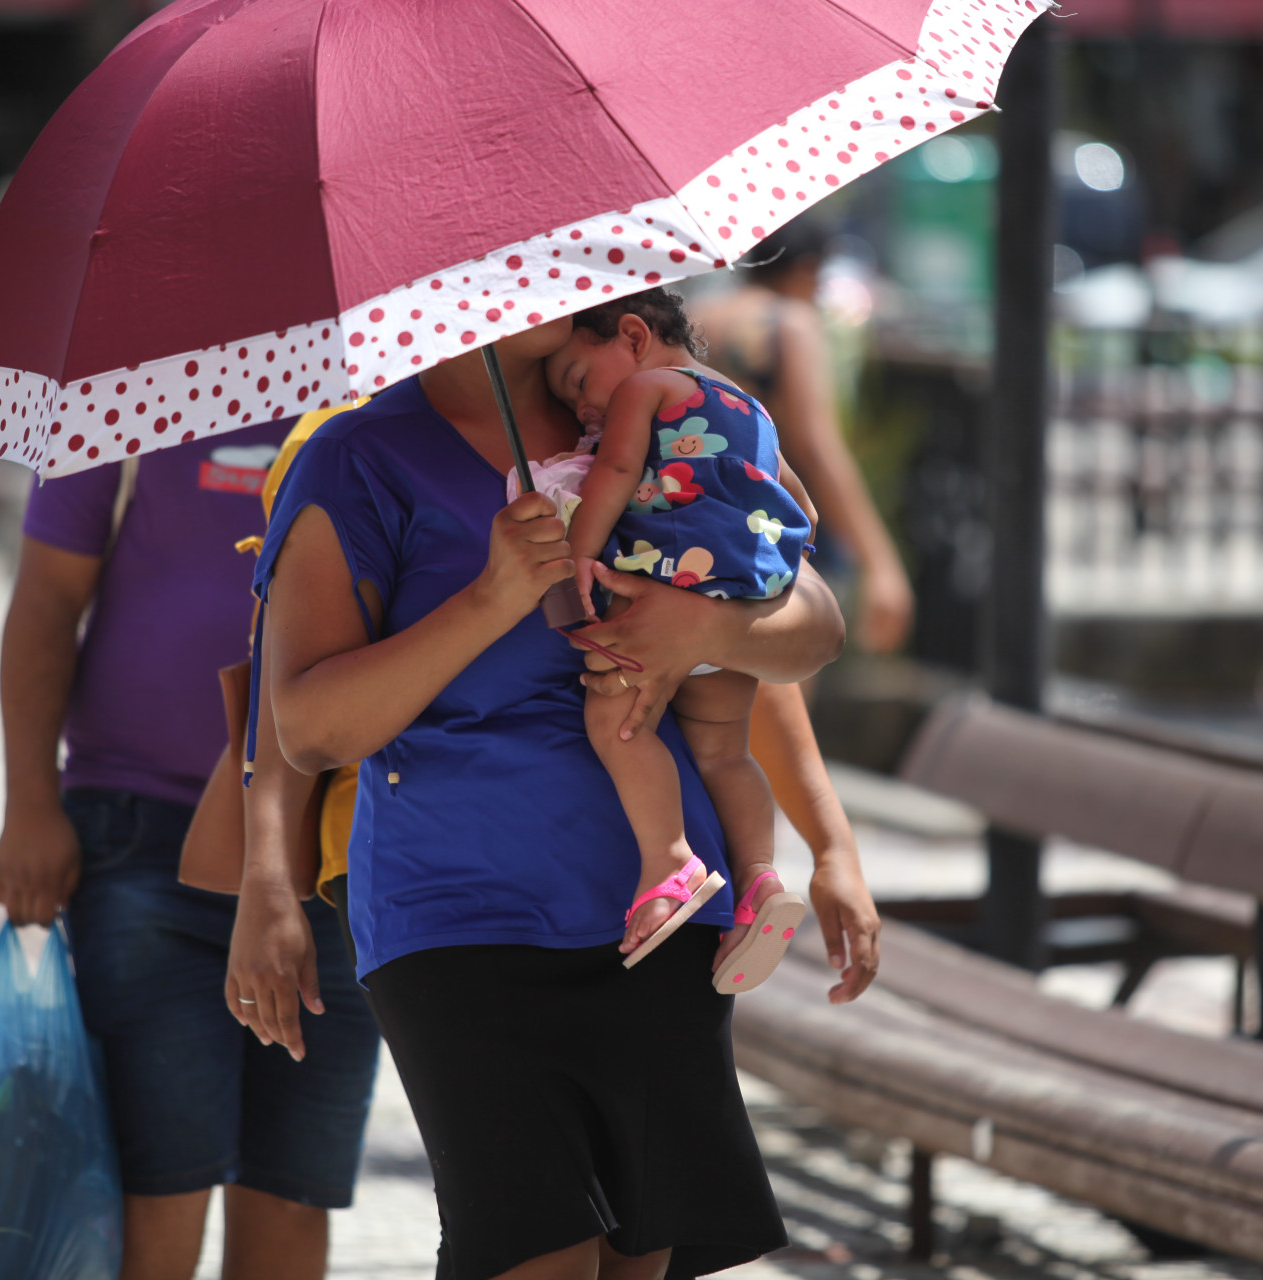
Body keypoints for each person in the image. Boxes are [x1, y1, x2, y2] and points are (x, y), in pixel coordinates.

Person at [244, 316, 845, 1279]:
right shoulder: (350, 457)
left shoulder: (652, 404)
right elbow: (310, 727)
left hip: (660, 912)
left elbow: (812, 622)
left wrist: (704, 623)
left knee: (632, 1261)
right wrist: (489, 596)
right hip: (458, 914)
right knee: (533, 1255)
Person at [0, 420, 380, 1280]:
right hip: (139, 837)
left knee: (294, 1194)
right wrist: (29, 802)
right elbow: (48, 596)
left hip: (334, 850)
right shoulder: (125, 387)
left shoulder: (384, 389)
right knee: (154, 1184)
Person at [528, 290, 810, 986]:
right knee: (724, 752)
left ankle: (670, 863)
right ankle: (759, 883)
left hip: (664, 581)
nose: (581, 408)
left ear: (630, 334)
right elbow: (800, 506)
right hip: (740, 595)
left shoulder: (648, 389)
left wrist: (581, 557)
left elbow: (618, 474)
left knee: (615, 721)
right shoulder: (753, 409)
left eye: (577, 380)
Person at [691, 217, 915, 655]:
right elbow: (816, 448)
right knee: (783, 676)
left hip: (695, 511)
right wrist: (882, 563)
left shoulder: (700, 316)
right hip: (771, 519)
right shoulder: (789, 322)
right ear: (807, 269)